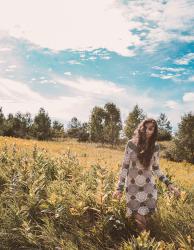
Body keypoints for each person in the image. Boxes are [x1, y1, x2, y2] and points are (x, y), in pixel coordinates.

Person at [113, 118, 180, 233]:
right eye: (145, 128)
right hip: (133, 187)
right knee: (138, 217)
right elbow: (124, 167)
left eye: (151, 129)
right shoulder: (131, 144)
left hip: (149, 186)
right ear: (141, 128)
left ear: (154, 131)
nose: (147, 131)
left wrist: (169, 184)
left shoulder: (155, 147)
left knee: (144, 219)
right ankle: (145, 243)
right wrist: (119, 187)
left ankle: (144, 242)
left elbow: (156, 169)